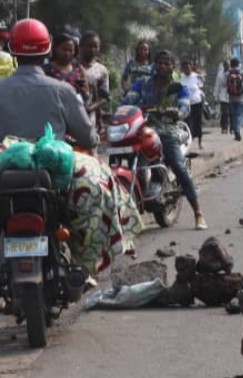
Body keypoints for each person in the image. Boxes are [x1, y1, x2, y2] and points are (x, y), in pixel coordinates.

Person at [0, 19, 141, 274]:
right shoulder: (62, 90)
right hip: (53, 176)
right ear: (48, 49)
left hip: (5, 175)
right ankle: (86, 265)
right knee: (101, 186)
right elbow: (88, 139)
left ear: (12, 51)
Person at [125, 50, 207, 230]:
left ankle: (198, 213)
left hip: (168, 131)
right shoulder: (143, 84)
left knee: (178, 166)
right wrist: (120, 109)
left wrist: (178, 112)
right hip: (143, 129)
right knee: (130, 157)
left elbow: (185, 107)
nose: (161, 66)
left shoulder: (179, 87)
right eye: (159, 63)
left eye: (166, 63)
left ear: (171, 67)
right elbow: (128, 100)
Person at [43, 33, 88, 104]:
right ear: (55, 49)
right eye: (64, 49)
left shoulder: (78, 69)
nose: (67, 53)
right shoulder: (45, 69)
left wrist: (80, 89)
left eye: (70, 50)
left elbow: (86, 95)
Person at [78, 32, 109, 133]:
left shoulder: (102, 70)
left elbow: (103, 97)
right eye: (89, 46)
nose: (92, 49)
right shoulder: (71, 66)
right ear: (81, 47)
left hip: (90, 116)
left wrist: (89, 108)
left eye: (96, 46)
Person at [179, 60, 205, 150]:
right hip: (185, 104)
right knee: (187, 123)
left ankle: (200, 142)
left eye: (189, 67)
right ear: (183, 69)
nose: (187, 69)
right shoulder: (181, 77)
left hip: (196, 102)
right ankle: (188, 142)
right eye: (185, 68)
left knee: (198, 122)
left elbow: (201, 87)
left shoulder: (196, 76)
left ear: (191, 67)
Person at [223, 58, 243, 142]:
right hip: (241, 97)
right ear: (238, 64)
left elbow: (223, 83)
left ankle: (234, 129)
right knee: (239, 114)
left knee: (233, 115)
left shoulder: (227, 73)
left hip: (231, 97)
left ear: (231, 64)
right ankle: (237, 130)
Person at [214, 60, 230, 134]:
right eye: (225, 64)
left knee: (231, 112)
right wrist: (216, 95)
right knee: (224, 112)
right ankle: (224, 127)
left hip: (231, 95)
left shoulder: (232, 73)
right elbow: (217, 85)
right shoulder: (220, 74)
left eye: (227, 64)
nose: (226, 66)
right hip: (223, 95)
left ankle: (232, 127)